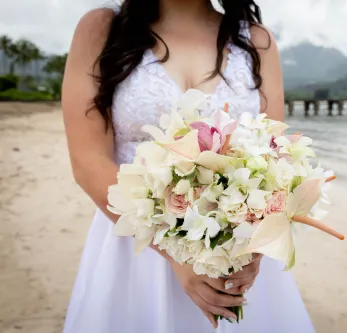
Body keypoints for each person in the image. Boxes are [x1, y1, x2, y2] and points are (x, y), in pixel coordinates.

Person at [61, 0, 315, 332]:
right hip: (135, 246)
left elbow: (275, 154)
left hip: (233, 251)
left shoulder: (257, 40)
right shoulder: (102, 29)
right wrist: (175, 253)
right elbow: (87, 159)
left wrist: (256, 248)